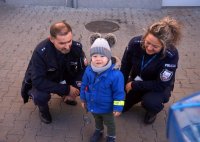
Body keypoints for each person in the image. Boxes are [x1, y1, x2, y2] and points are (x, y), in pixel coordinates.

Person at [21, 21, 87, 124]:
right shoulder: (41, 52)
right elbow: (38, 81)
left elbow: (83, 69)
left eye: (69, 41)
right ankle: (43, 110)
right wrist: (67, 89)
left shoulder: (76, 48)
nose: (67, 46)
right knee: (40, 96)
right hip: (47, 80)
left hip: (63, 77)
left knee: (84, 81)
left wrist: (76, 87)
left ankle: (67, 97)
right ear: (51, 39)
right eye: (62, 43)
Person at [120, 16, 182, 124]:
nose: (149, 48)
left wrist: (134, 85)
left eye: (155, 46)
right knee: (121, 106)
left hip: (158, 86)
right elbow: (125, 66)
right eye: (147, 42)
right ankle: (135, 96)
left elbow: (161, 84)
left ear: (164, 46)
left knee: (150, 102)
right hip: (137, 79)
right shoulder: (135, 43)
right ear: (145, 36)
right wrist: (120, 87)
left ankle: (152, 110)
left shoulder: (171, 55)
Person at [80, 33, 125, 142]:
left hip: (107, 108)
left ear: (108, 56)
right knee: (97, 119)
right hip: (93, 105)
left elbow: (119, 93)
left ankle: (111, 136)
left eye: (102, 56)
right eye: (95, 56)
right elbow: (84, 85)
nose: (98, 59)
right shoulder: (89, 70)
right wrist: (83, 99)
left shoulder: (116, 75)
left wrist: (118, 107)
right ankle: (98, 130)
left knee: (110, 123)